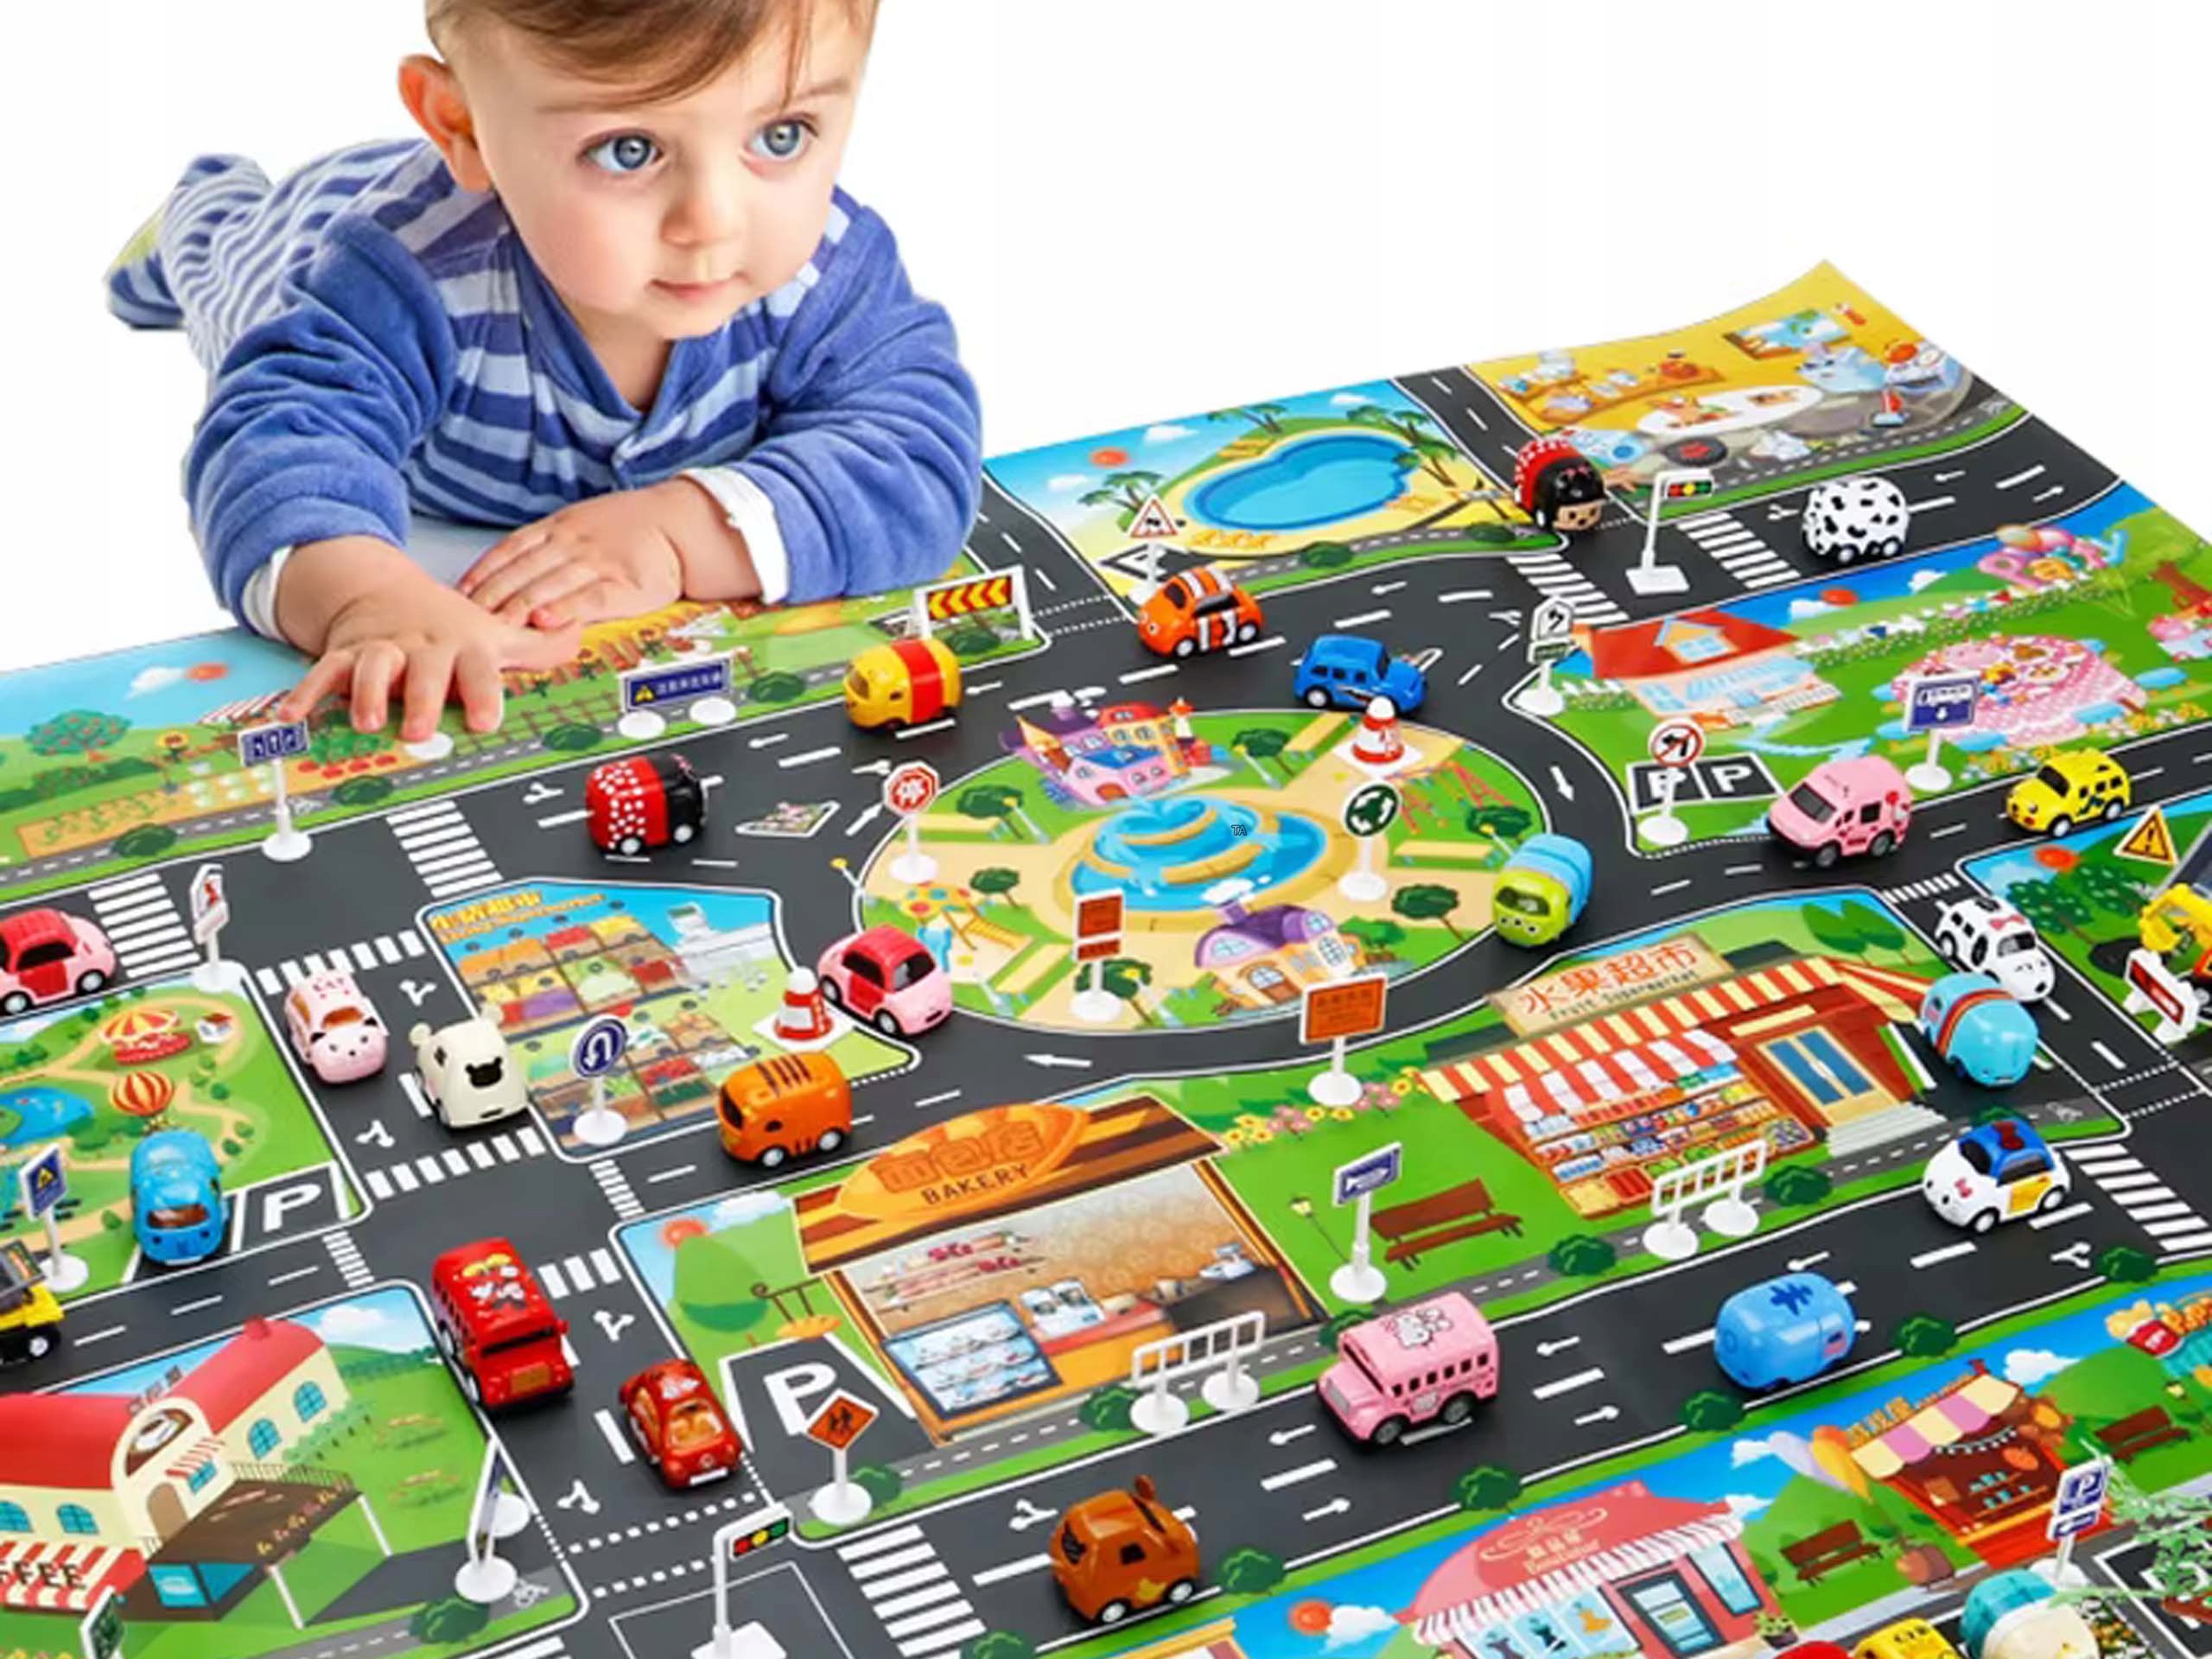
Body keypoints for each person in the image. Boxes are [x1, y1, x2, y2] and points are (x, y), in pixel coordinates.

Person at [106, 0, 981, 742]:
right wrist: (367, 599)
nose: (712, 221)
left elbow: (917, 454)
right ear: (460, 126)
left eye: (781, 135)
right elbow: (271, 441)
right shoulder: (398, 280)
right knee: (220, 268)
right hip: (297, 236)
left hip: (490, 182)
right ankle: (196, 211)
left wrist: (681, 534)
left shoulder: (829, 272)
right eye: (628, 150)